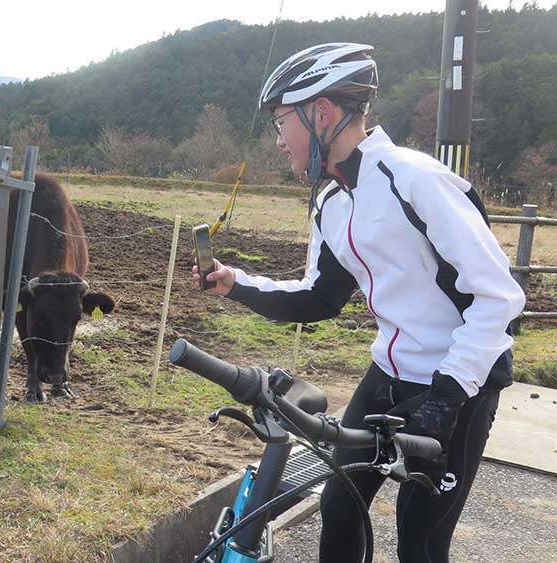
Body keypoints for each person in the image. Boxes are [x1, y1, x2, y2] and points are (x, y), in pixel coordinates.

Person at [193, 43, 525, 562]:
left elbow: (500, 295)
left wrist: (446, 396)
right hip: (385, 377)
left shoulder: (416, 180)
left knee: (420, 541)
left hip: (458, 385)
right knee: (340, 508)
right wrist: (235, 282)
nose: (278, 139)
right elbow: (319, 296)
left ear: (321, 112)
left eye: (282, 122)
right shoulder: (330, 199)